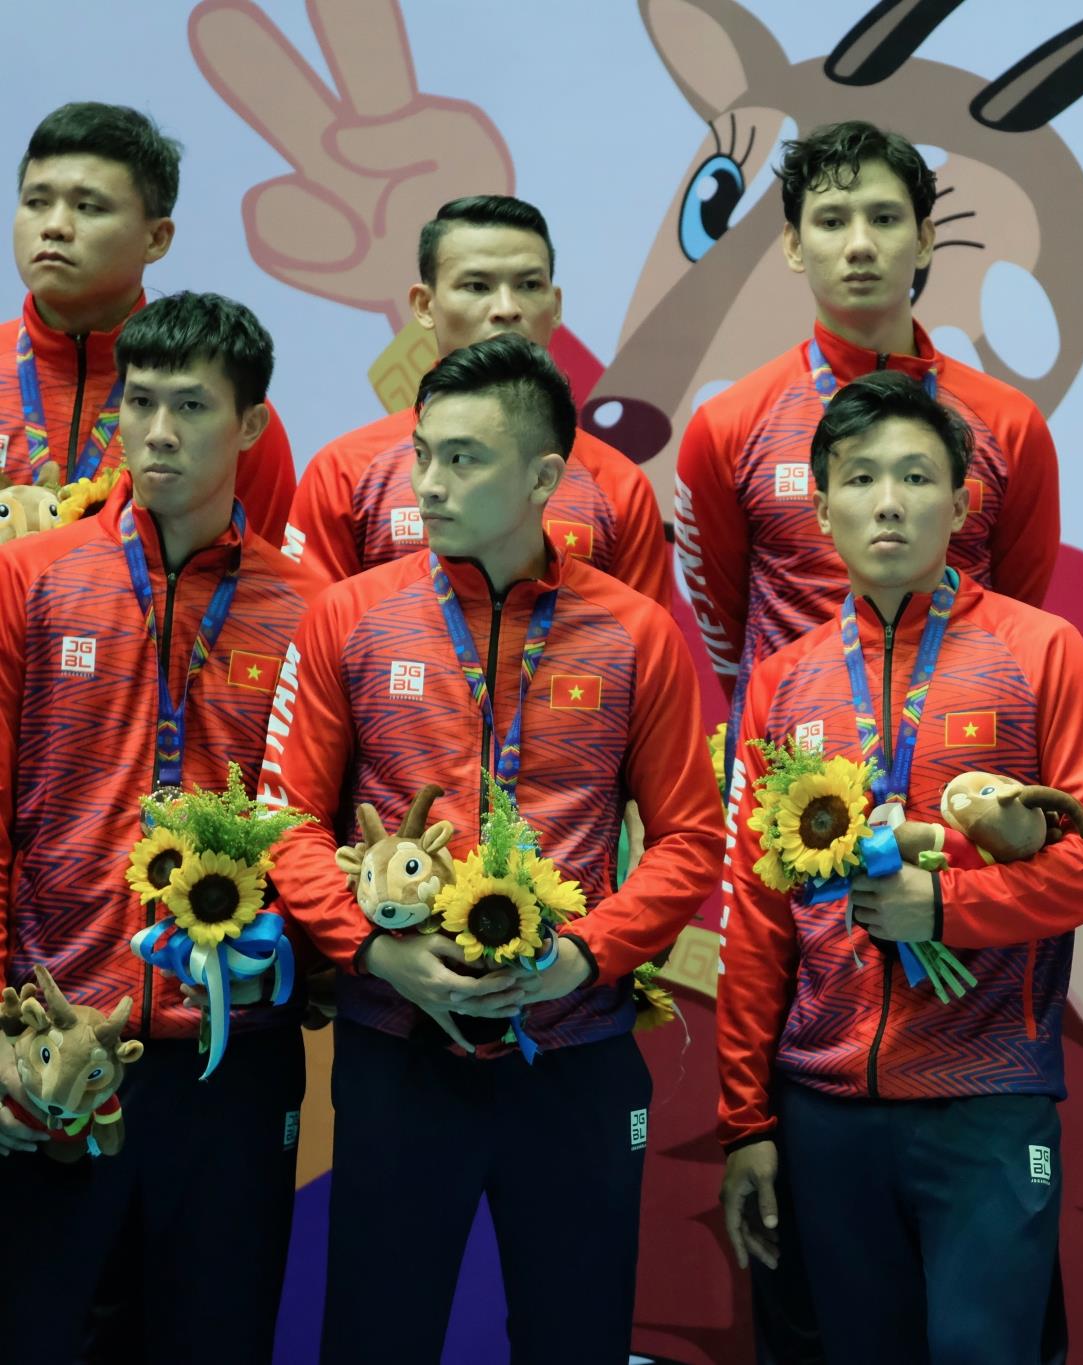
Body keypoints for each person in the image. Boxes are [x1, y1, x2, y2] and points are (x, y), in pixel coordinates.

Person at [263, 334, 723, 1362]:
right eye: (422, 453)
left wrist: (586, 956)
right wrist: (373, 951)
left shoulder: (636, 633)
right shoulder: (349, 617)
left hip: (577, 1055)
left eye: (463, 458)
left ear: (543, 477)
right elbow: (287, 821)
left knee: (577, 1337)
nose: (428, 481)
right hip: (397, 1049)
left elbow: (691, 840)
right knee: (375, 1336)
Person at [716, 370, 1083, 1365]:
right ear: (819, 507)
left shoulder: (1041, 652)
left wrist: (947, 907)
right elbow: (755, 911)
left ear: (960, 503)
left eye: (916, 477)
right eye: (860, 478)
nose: (889, 501)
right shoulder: (783, 682)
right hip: (824, 1105)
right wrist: (744, 1118)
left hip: (987, 1093)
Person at [0, 291, 316, 1362]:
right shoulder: (32, 580)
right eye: (140, 403)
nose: (161, 432)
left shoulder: (313, 610)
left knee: (211, 1339)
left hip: (231, 1057)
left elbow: (312, 832)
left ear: (254, 428)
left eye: (193, 405)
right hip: (53, 1038)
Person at [674, 119, 1060, 716]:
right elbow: (725, 630)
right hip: (789, 771)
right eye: (831, 221)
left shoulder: (1010, 423)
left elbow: (1019, 609)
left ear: (926, 238)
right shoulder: (727, 427)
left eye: (884, 218)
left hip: (966, 752)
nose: (859, 244)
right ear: (794, 245)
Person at [284, 194, 669, 601]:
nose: (506, 308)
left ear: (555, 307)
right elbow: (308, 640)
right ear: (424, 304)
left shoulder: (619, 487)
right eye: (477, 286)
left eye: (529, 285)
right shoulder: (346, 471)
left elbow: (640, 648)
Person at [6, 102, 296, 540]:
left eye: (88, 207)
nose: (55, 226)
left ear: (157, 238)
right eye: (36, 202)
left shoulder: (221, 403)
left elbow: (257, 585)